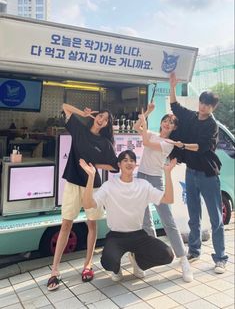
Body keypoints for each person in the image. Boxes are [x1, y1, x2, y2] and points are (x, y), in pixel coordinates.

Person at [47, 103, 118, 291]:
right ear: (95, 117)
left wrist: (95, 165)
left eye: (106, 119)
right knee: (66, 225)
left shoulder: (105, 143)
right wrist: (84, 113)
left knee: (92, 224)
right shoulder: (79, 129)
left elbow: (115, 166)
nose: (102, 120)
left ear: (107, 125)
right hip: (72, 182)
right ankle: (54, 271)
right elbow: (64, 107)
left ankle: (87, 265)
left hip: (93, 187)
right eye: (100, 116)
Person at [81, 150, 175, 281]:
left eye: (132, 160)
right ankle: (116, 267)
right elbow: (87, 204)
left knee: (167, 255)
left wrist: (167, 173)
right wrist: (91, 177)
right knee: (108, 261)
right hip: (116, 236)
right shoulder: (109, 186)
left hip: (138, 235)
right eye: (125, 160)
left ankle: (137, 261)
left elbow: (168, 199)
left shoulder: (143, 185)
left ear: (135, 165)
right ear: (119, 164)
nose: (129, 163)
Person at [169, 72, 228, 274]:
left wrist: (182, 145)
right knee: (193, 214)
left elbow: (202, 147)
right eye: (202, 102)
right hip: (191, 172)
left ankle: (220, 258)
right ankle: (194, 250)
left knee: (215, 218)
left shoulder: (212, 125)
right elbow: (175, 106)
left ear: (213, 107)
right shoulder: (192, 116)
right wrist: (172, 85)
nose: (203, 106)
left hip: (208, 175)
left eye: (207, 104)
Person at [134, 108, 193, 282]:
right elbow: (137, 126)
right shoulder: (152, 133)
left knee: (168, 221)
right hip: (141, 178)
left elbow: (145, 142)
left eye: (171, 123)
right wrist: (146, 114)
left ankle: (183, 259)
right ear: (161, 122)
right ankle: (148, 257)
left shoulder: (169, 143)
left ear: (174, 128)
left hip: (155, 180)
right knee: (145, 221)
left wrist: (145, 120)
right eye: (166, 120)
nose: (167, 123)